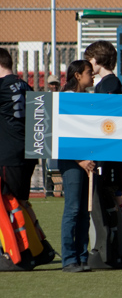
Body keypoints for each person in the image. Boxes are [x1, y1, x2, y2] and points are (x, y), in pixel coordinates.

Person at [84, 40, 122, 269]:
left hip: (113, 156)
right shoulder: (105, 83)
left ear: (96, 61)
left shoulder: (110, 84)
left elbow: (107, 120)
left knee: (115, 200)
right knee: (112, 199)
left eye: (89, 60)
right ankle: (121, 248)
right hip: (112, 154)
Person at [0, 48, 55, 271]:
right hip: (28, 151)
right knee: (22, 201)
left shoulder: (2, 87)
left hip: (8, 153)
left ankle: (19, 252)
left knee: (8, 203)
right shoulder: (25, 85)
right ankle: (41, 247)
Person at [58, 60, 95, 272]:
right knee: (72, 210)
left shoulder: (87, 99)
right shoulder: (67, 99)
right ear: (78, 76)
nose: (93, 76)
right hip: (72, 162)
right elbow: (61, 136)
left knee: (84, 211)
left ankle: (81, 257)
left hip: (86, 161)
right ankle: (69, 259)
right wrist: (80, 160)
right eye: (89, 72)